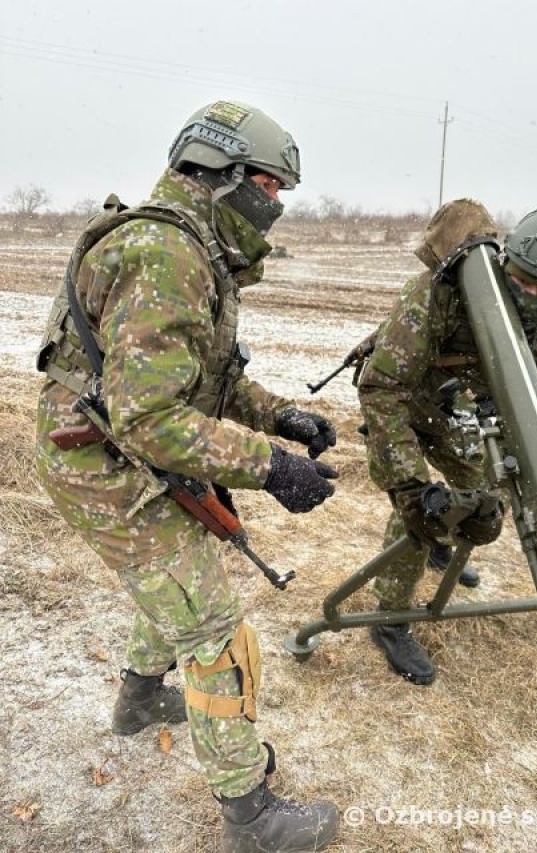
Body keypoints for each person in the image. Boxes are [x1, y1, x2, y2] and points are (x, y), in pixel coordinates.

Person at [35, 100, 339, 852]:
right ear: (224, 176)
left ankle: (138, 701)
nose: (275, 205)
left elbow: (201, 378)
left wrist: (280, 418)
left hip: (111, 444)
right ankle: (251, 815)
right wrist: (271, 467)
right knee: (211, 625)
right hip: (101, 458)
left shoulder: (187, 244)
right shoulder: (169, 254)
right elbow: (153, 418)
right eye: (269, 187)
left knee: (178, 578)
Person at [357, 198, 537, 687]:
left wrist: (506, 458)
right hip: (408, 405)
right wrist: (410, 487)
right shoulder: (438, 296)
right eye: (520, 281)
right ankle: (390, 618)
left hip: (460, 419)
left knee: (475, 492)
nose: (529, 294)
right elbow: (382, 388)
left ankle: (440, 549)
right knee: (422, 515)